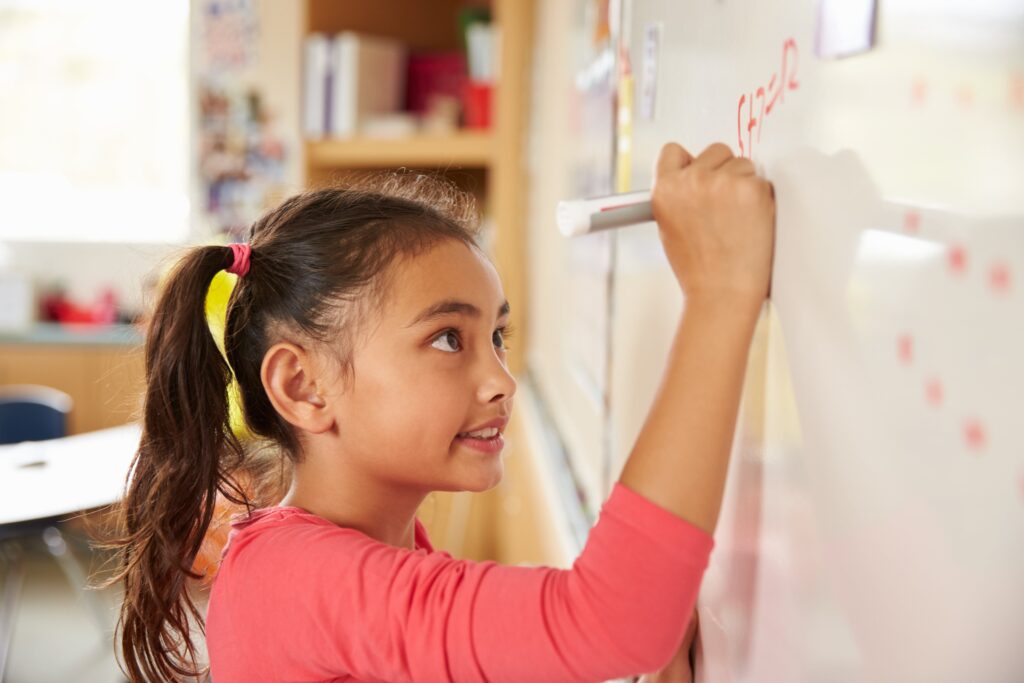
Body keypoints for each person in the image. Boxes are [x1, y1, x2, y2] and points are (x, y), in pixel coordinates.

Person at [102, 141, 775, 682]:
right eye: (449, 338)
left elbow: (607, 632)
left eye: (498, 337)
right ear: (304, 387)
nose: (501, 380)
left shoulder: (384, 550)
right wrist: (719, 292)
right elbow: (611, 620)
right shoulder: (295, 578)